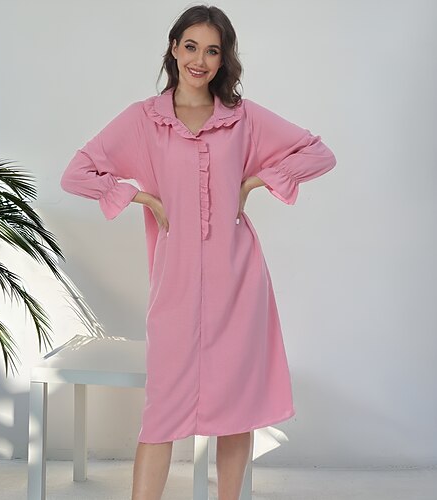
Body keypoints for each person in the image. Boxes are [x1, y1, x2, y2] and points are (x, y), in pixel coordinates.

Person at [60, 4, 337, 499]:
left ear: (223, 58)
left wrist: (254, 181)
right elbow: (76, 173)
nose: (200, 60)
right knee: (161, 414)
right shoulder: (144, 120)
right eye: (191, 46)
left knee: (236, 411)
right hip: (176, 283)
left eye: (212, 51)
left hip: (239, 281)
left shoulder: (243, 119)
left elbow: (318, 153)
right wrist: (141, 197)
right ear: (173, 48)